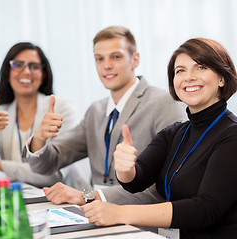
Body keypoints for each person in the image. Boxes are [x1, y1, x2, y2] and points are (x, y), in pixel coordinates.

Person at [80, 38, 237, 239]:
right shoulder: (176, 132)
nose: (188, 77)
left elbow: (205, 209)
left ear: (222, 78)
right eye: (180, 71)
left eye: (200, 67)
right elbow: (137, 180)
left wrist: (120, 213)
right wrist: (125, 170)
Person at [24, 26, 187, 204]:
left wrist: (91, 197)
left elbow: (171, 181)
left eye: (116, 56)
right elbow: (45, 165)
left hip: (142, 223)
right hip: (97, 218)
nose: (107, 65)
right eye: (99, 59)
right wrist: (39, 138)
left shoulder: (165, 103)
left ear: (135, 60)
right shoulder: (96, 111)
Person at [0, 42, 78, 187]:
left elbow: (53, 175)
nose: (26, 72)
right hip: (18, 198)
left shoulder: (63, 109)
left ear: (43, 74)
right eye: (18, 64)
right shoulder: (2, 112)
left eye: (34, 66)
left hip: (62, 200)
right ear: (8, 73)